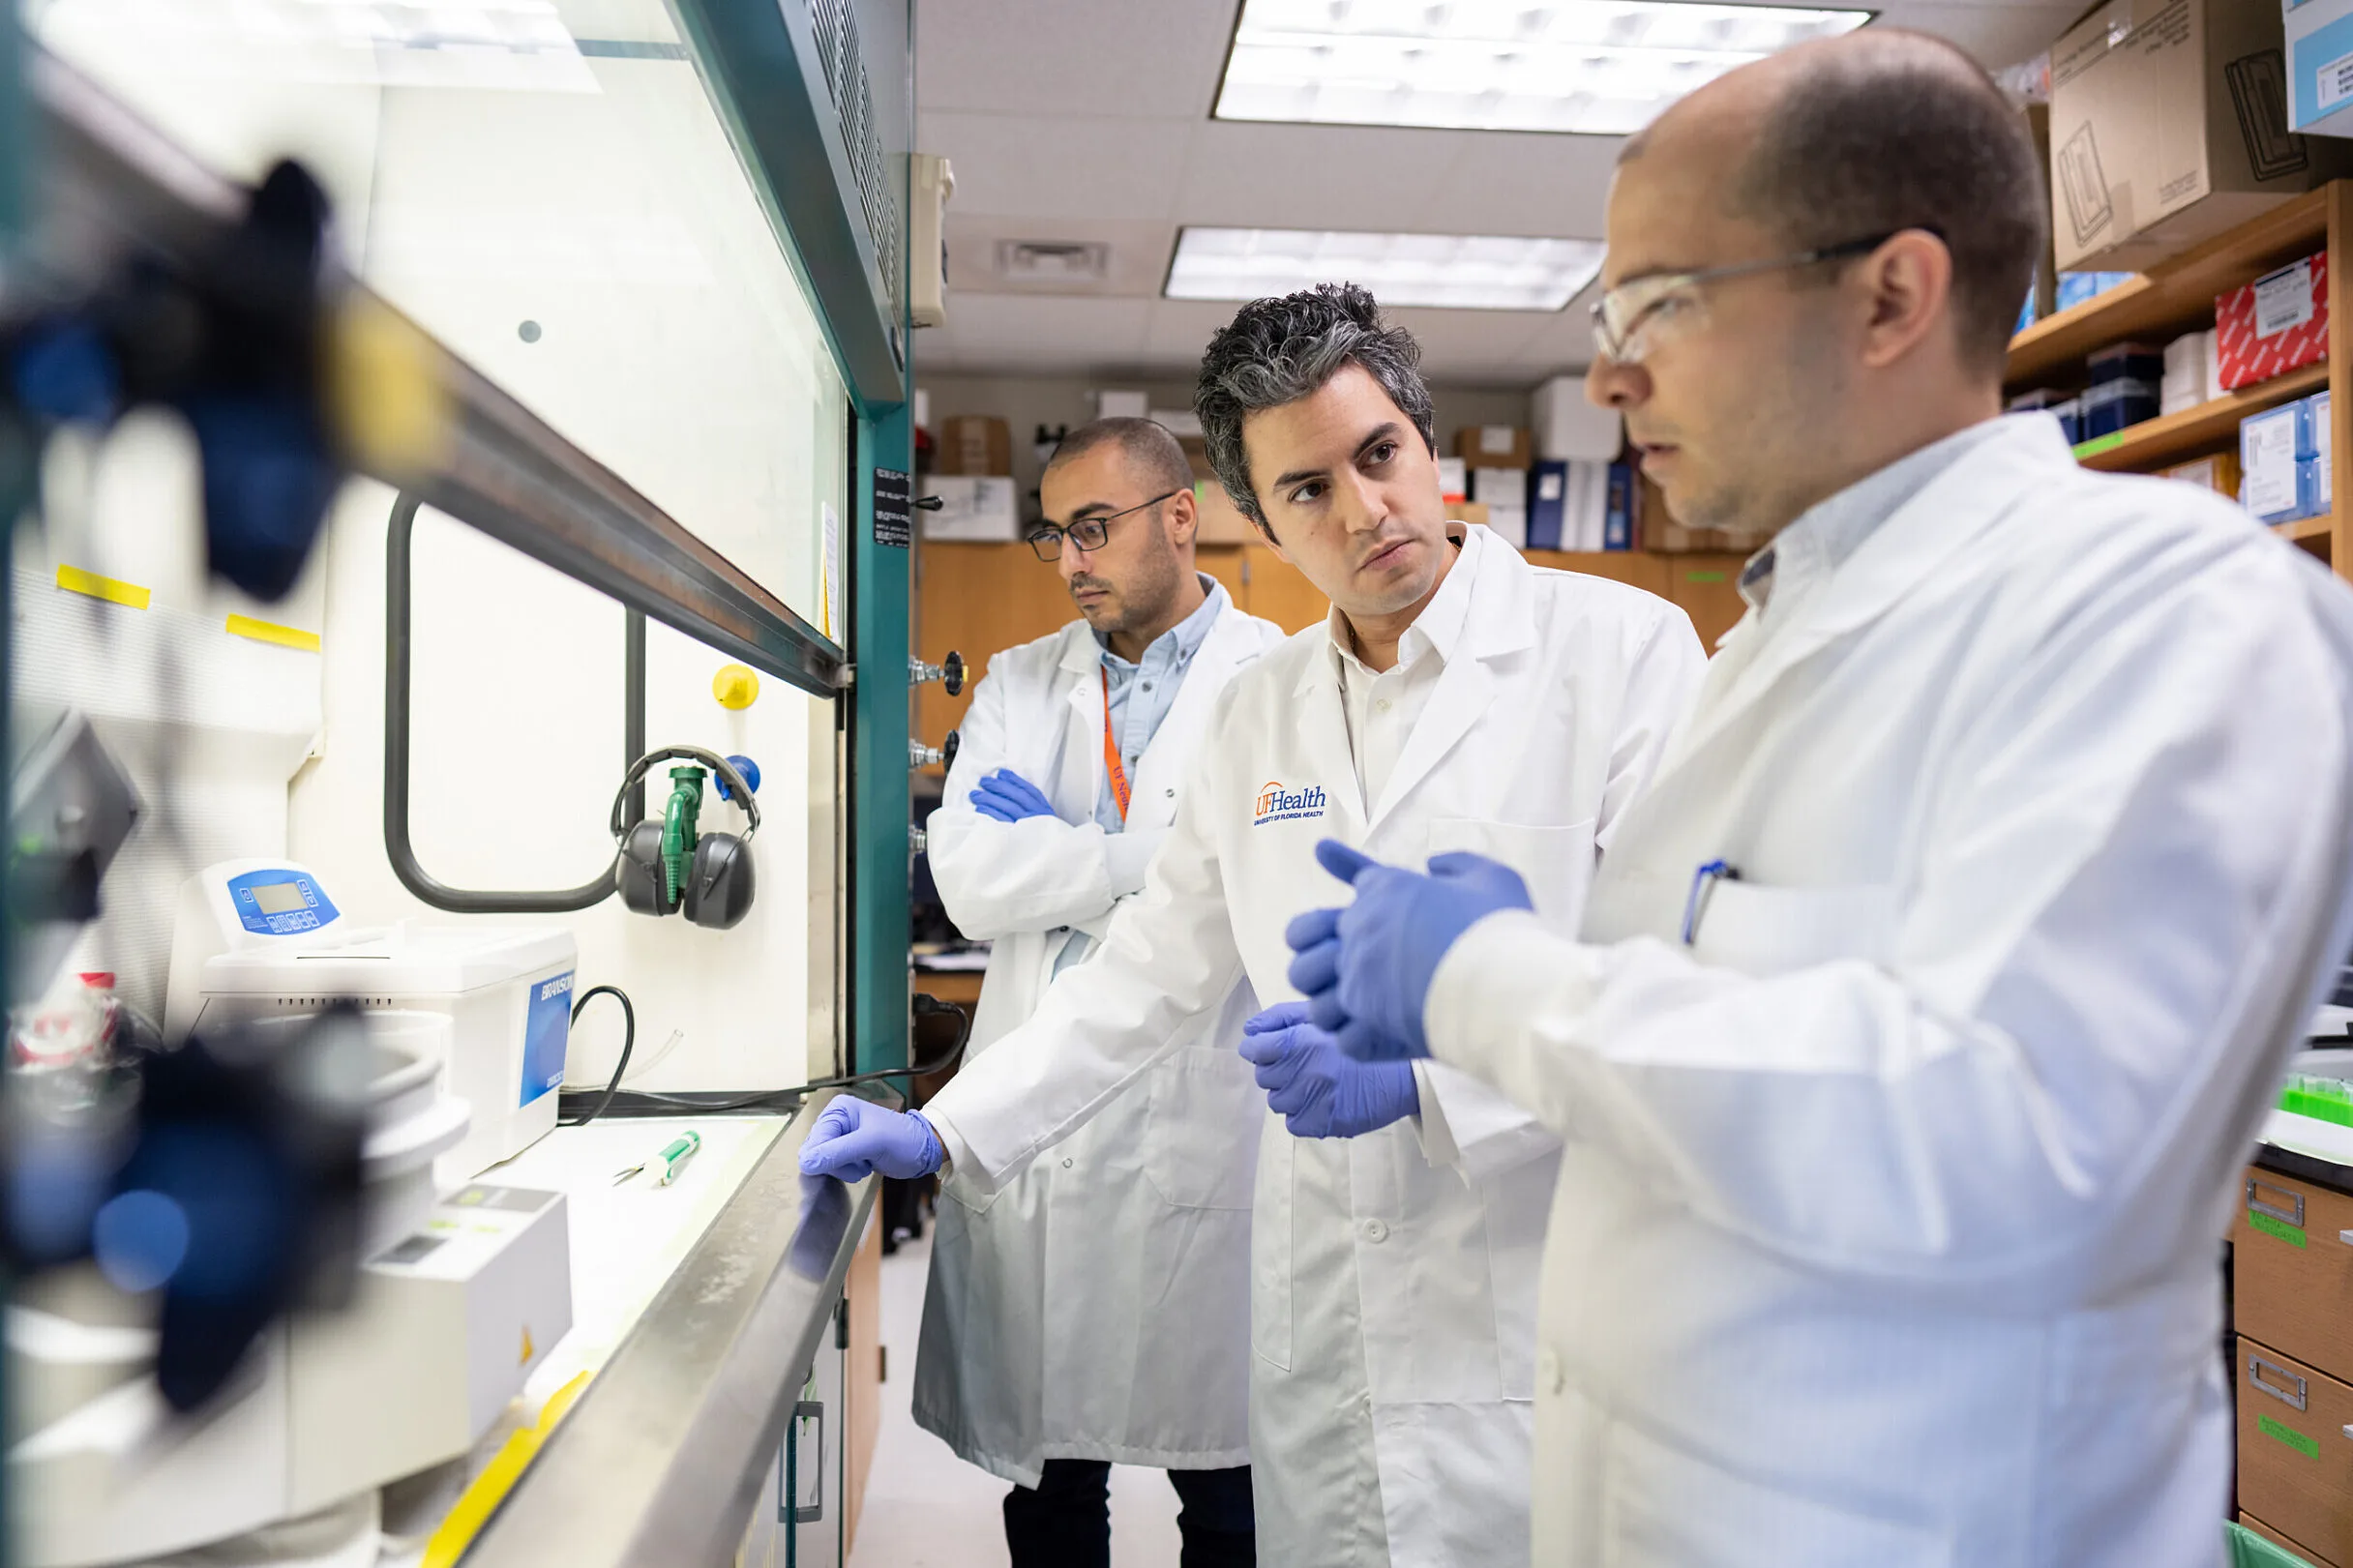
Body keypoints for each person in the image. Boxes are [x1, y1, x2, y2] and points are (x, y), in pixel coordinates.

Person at [1285, 30, 2353, 1568]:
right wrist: (1548, 971)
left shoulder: (2176, 620)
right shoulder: (1764, 647)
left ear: (1891, 295)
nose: (1606, 373)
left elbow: (2003, 1136)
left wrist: (1486, 981)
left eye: (1657, 303)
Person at [804, 284, 1706, 1565]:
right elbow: (1146, 980)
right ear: (1256, 518)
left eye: (1378, 455)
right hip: (1323, 1331)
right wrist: (945, 1129)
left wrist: (1433, 1078)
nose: (1363, 512)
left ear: (1424, 440)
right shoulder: (1260, 713)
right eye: (1305, 491)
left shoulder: (1623, 652)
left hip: (1542, 1322)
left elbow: (1683, 992)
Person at [915, 417, 1284, 1567]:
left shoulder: (1279, 679)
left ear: (1181, 517)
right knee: (1052, 1480)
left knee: (1226, 1487)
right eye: (1054, 535)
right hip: (1041, 1127)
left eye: (1093, 528)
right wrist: (1151, 856)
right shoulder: (1024, 683)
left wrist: (1072, 852)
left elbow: (1246, 893)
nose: (1071, 559)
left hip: (1211, 1120)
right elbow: (970, 880)